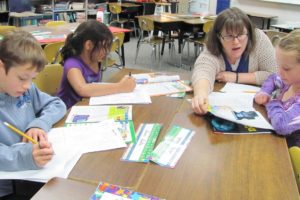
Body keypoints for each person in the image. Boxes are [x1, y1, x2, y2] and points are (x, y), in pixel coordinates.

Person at [0, 30, 66, 199]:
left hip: (33, 176)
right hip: (9, 187)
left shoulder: (24, 90)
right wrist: (27, 156)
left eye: (32, 79)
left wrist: (39, 123)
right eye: (22, 78)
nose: (28, 86)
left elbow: (56, 104)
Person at [191, 7, 277, 115]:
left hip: (256, 107)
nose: (236, 42)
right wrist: (200, 95)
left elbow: (274, 75)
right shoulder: (213, 45)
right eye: (229, 36)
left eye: (241, 35)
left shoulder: (259, 39)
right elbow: (202, 71)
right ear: (218, 37)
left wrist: (236, 77)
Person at [57, 20, 136, 109]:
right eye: (104, 47)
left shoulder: (95, 60)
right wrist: (120, 87)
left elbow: (94, 87)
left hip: (87, 106)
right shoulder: (72, 64)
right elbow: (83, 89)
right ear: (89, 45)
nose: (106, 52)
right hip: (67, 113)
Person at [254, 29, 300, 147]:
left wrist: (271, 102)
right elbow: (273, 78)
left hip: (289, 158)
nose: (279, 72)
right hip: (276, 144)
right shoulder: (289, 81)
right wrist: (264, 92)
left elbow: (281, 125)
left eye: (286, 68)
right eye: (278, 65)